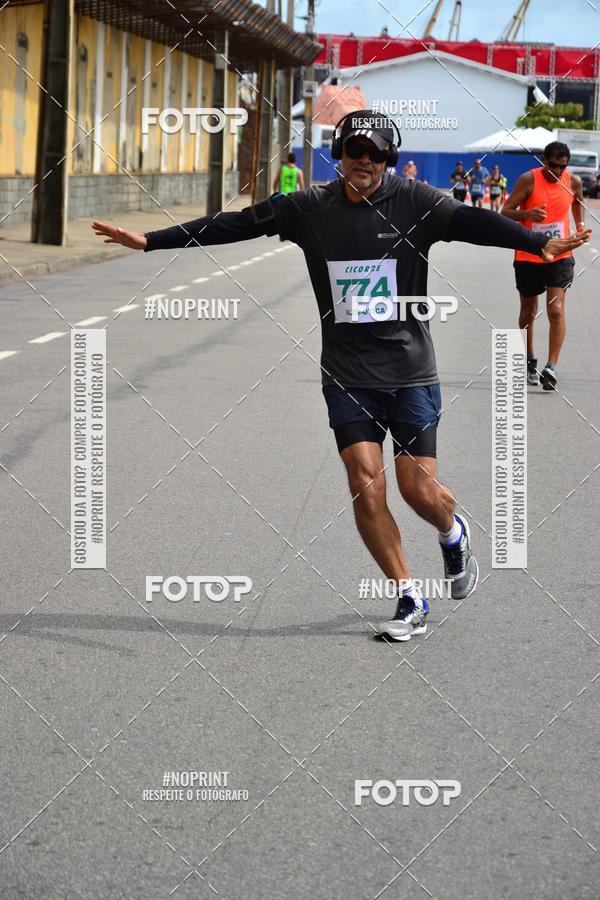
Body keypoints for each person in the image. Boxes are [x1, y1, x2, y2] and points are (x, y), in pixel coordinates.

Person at [92, 110, 590, 641]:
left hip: (410, 369)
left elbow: (472, 221)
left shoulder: (414, 202)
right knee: (364, 484)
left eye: (377, 153)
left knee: (418, 490)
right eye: (356, 150)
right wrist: (150, 241)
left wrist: (536, 243)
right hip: (347, 375)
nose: (366, 161)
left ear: (389, 159)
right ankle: (408, 598)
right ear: (341, 154)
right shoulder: (310, 207)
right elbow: (235, 224)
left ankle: (452, 530)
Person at [501, 141, 585, 390]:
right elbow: (505, 211)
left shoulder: (574, 181)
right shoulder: (529, 180)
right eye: (554, 166)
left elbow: (578, 202)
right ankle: (529, 359)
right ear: (543, 160)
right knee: (528, 311)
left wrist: (579, 227)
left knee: (556, 309)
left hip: (560, 254)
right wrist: (526, 215)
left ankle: (550, 367)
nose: (558, 172)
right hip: (529, 255)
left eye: (563, 167)